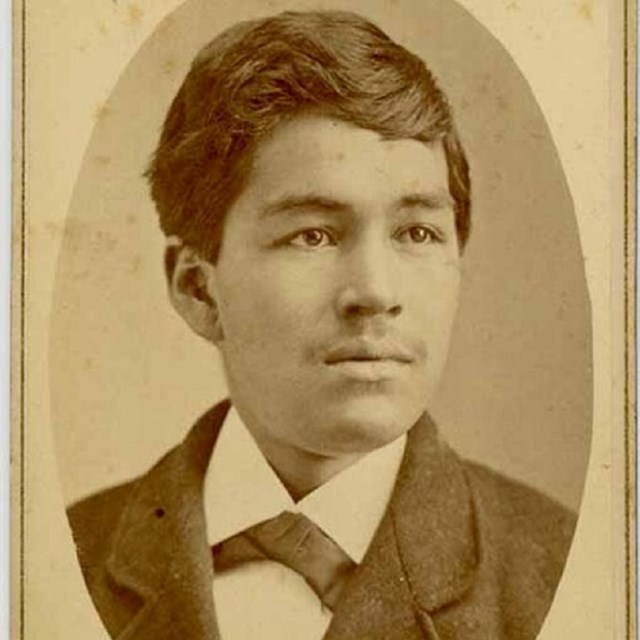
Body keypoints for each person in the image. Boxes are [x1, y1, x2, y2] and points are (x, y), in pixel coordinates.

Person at [68, 10, 576, 640]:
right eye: (312, 234)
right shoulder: (57, 560)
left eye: (416, 232)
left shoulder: (561, 570)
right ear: (199, 288)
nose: (375, 293)